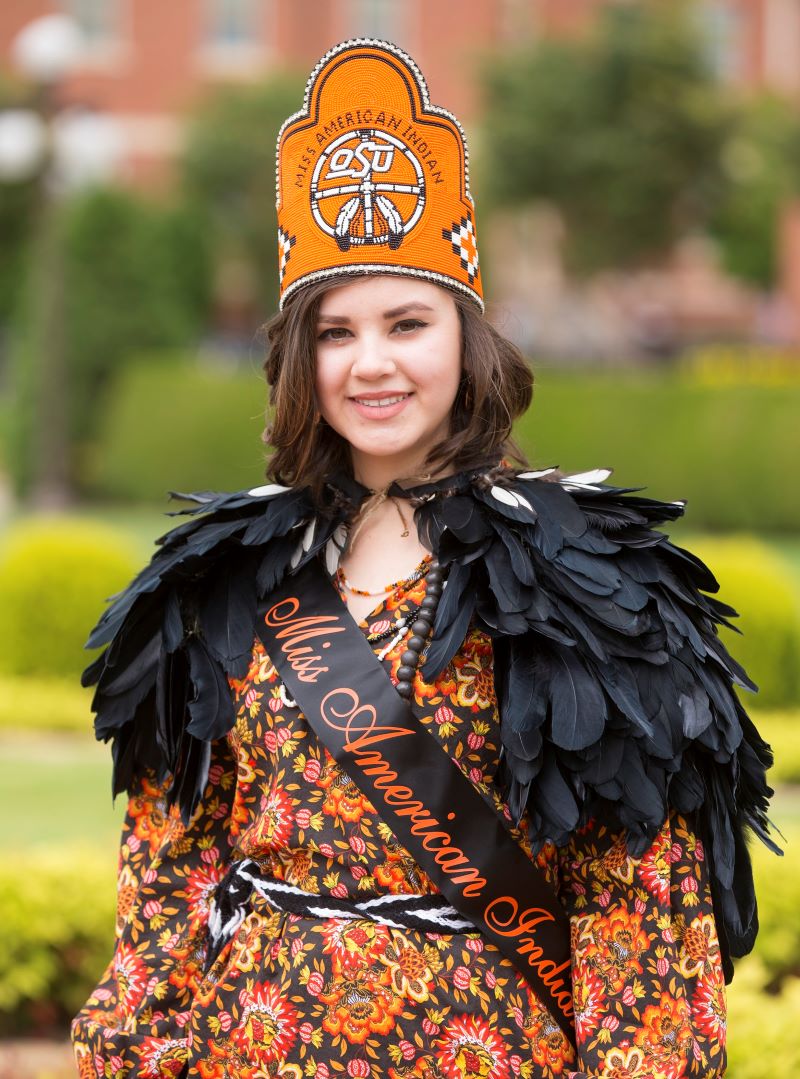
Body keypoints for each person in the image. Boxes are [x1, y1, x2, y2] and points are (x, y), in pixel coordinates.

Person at [72, 39, 775, 1079]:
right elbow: (170, 874)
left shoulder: (588, 584)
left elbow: (636, 908)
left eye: (406, 322)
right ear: (296, 359)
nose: (371, 363)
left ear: (465, 338)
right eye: (335, 331)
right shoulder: (221, 579)